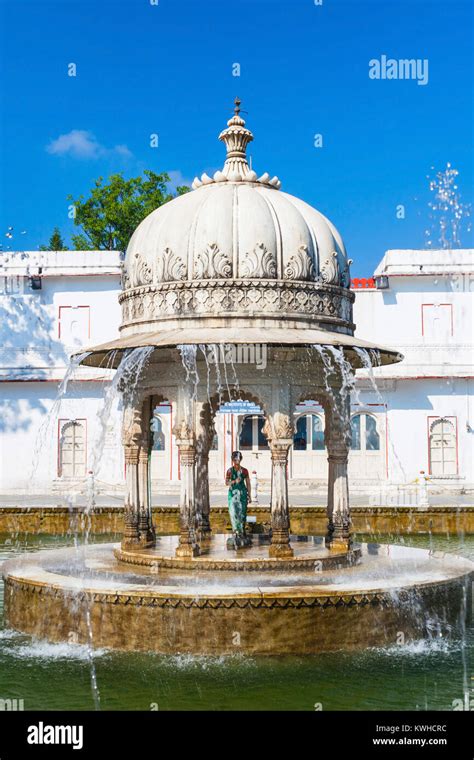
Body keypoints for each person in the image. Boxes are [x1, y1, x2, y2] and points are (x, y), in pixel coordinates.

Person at [225, 450, 252, 548]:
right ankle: (235, 532)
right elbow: (226, 483)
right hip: (232, 494)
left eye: (238, 458)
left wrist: (250, 494)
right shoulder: (229, 471)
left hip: (242, 494)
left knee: (243, 513)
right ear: (232, 460)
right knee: (233, 513)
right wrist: (234, 481)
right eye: (235, 459)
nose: (237, 460)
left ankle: (242, 531)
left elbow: (248, 483)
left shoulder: (244, 471)